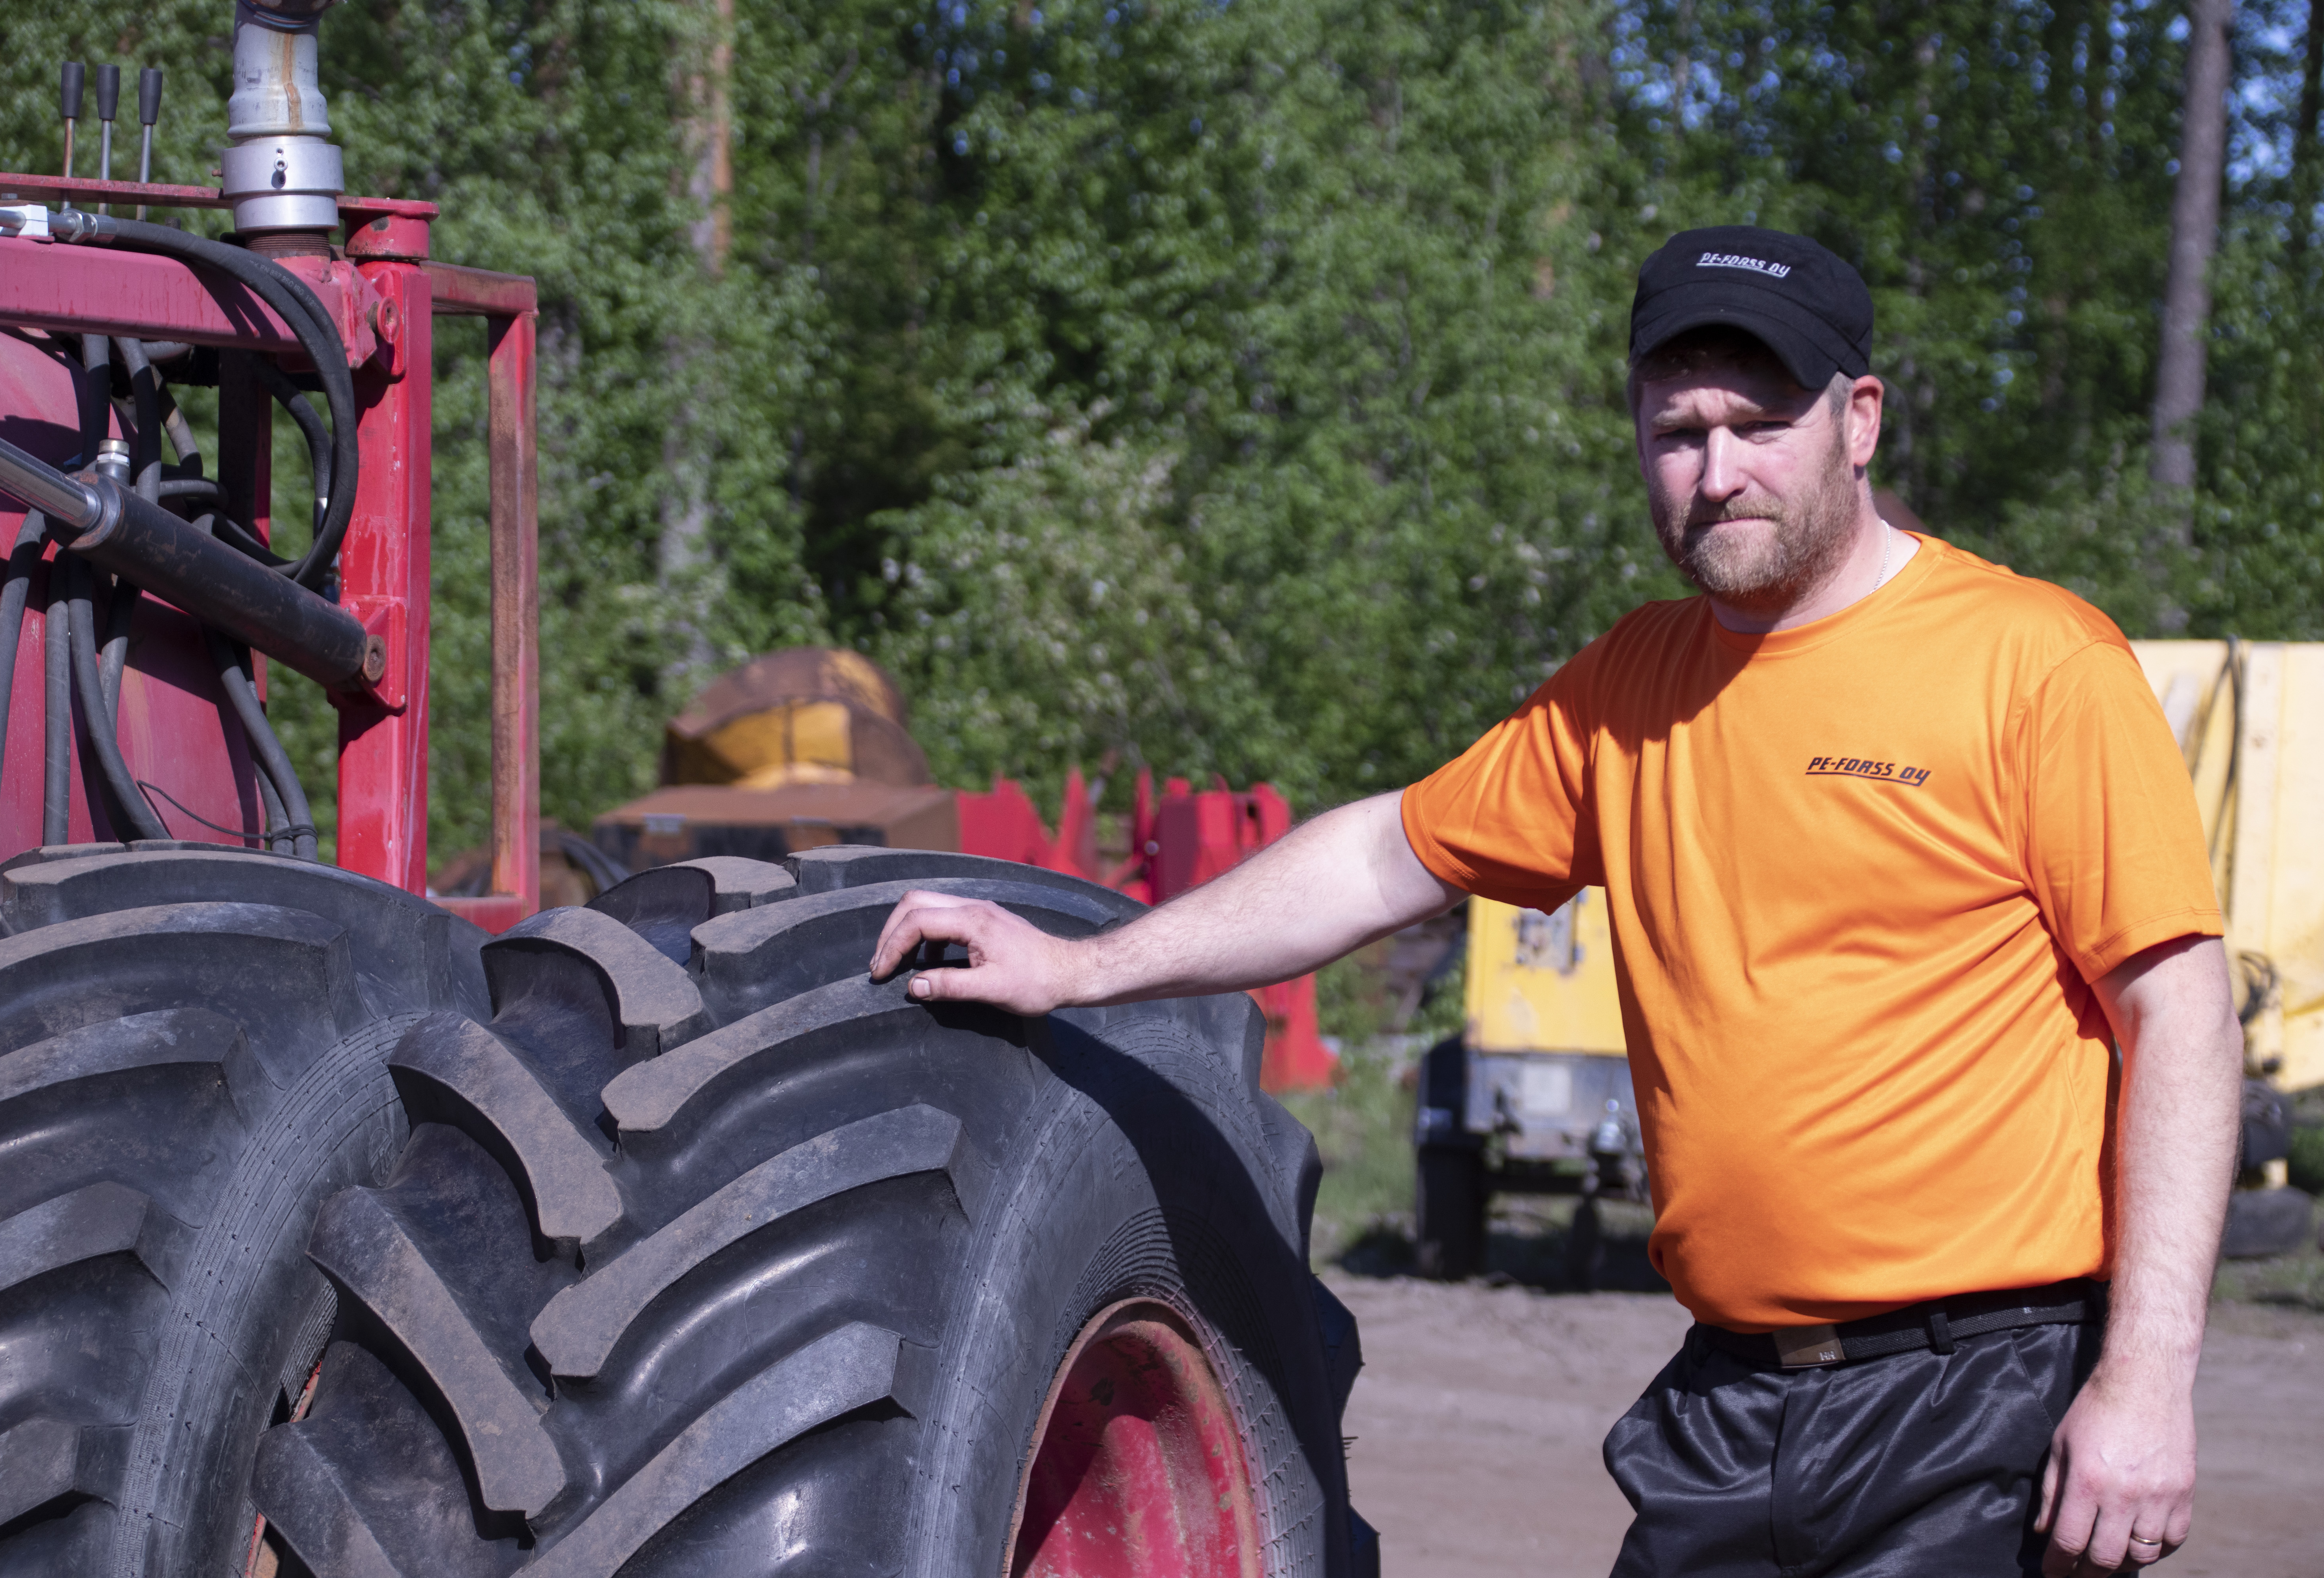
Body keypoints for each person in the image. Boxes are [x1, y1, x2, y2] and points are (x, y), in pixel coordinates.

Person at [869, 226, 2240, 1578]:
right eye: (1677, 432)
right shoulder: (1629, 688)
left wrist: (2147, 1381)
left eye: (1759, 426)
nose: (1718, 474)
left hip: (1978, 1401)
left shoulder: (2034, 665)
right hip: (1731, 1407)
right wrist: (1081, 967)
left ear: (1858, 420)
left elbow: (2179, 1013)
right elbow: (1375, 863)